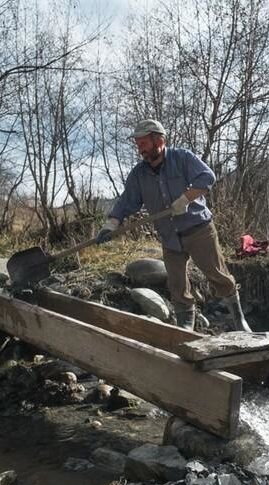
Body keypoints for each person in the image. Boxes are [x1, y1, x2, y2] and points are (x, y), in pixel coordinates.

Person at [96, 119, 251, 333]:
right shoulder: (139, 174)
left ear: (159, 140)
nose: (140, 149)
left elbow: (207, 177)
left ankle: (238, 319)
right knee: (177, 284)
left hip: (198, 229)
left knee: (218, 275)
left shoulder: (182, 158)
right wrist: (111, 225)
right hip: (169, 236)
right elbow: (126, 202)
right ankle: (186, 326)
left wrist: (185, 199)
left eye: (144, 143)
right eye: (138, 144)